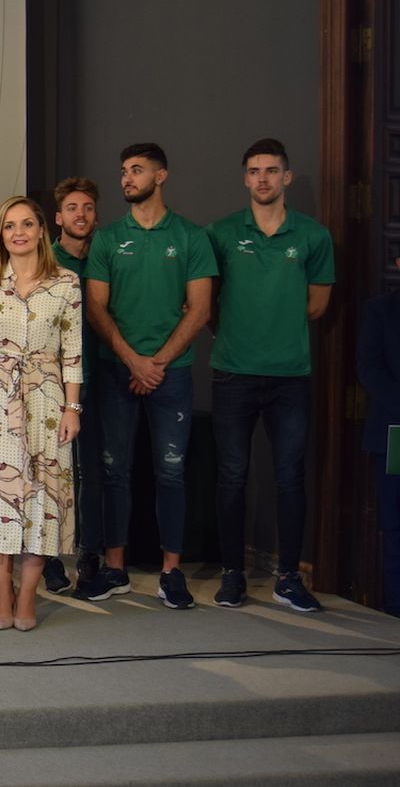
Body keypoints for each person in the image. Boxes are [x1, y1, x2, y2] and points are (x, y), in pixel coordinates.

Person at [80, 143, 216, 609]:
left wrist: (154, 363)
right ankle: (115, 569)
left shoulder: (192, 237)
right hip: (116, 371)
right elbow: (96, 307)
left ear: (161, 176)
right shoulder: (107, 238)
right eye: (123, 171)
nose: (126, 179)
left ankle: (171, 573)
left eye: (136, 170)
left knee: (171, 473)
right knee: (114, 471)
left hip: (170, 375)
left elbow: (199, 310)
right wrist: (132, 360)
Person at [207, 139, 333, 612]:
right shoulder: (219, 234)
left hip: (290, 377)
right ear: (245, 178)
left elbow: (317, 305)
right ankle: (233, 574)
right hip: (232, 374)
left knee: (290, 478)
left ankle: (288, 578)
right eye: (254, 170)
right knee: (232, 477)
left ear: (287, 177)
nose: (262, 178)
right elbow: (208, 303)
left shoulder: (312, 236)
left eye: (271, 170)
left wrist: (275, 328)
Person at [0, 196, 83, 631]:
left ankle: (29, 594)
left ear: (42, 230)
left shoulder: (66, 283)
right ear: (1, 235)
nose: (19, 232)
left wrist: (73, 407)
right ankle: (3, 594)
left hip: (48, 407)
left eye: (27, 224)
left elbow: (73, 353)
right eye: (10, 226)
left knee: (42, 499)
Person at [51, 177, 104, 596]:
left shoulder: (108, 258)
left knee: (95, 474)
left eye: (87, 208)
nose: (80, 215)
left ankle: (90, 558)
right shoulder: (42, 260)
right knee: (51, 473)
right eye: (72, 208)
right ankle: (49, 558)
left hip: (103, 378)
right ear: (58, 217)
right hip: (50, 385)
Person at [357, 262, 400, 618]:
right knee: (395, 523)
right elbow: (369, 367)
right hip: (394, 431)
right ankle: (395, 607)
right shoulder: (378, 310)